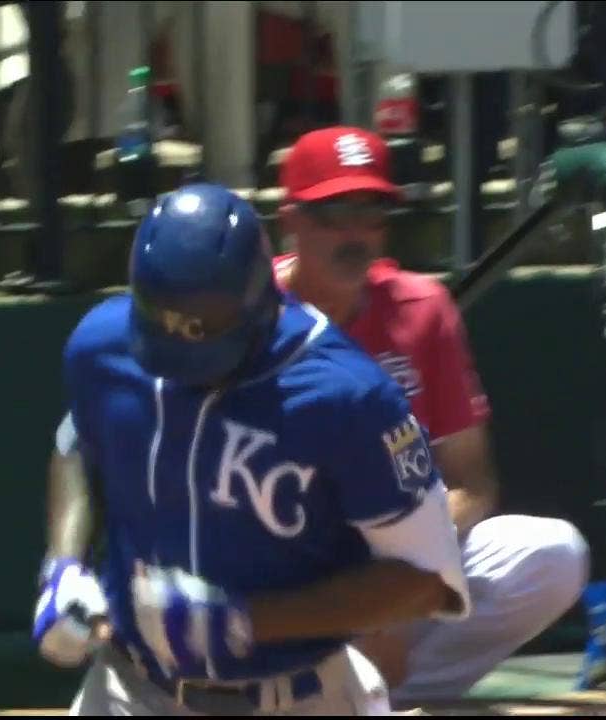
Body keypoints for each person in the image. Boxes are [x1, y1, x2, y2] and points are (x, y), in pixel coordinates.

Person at [31, 182, 473, 715]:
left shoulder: (347, 395)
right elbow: (75, 441)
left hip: (297, 699)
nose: (187, 367)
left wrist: (247, 620)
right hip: (131, 690)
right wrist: (64, 565)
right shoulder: (101, 347)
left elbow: (428, 584)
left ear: (263, 300)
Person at [273, 126, 591, 707]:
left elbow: (471, 479)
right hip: (286, 564)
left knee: (554, 555)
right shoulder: (248, 313)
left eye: (371, 212)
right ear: (289, 217)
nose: (355, 234)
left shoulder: (421, 309)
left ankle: (381, 695)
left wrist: (388, 596)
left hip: (398, 554)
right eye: (334, 212)